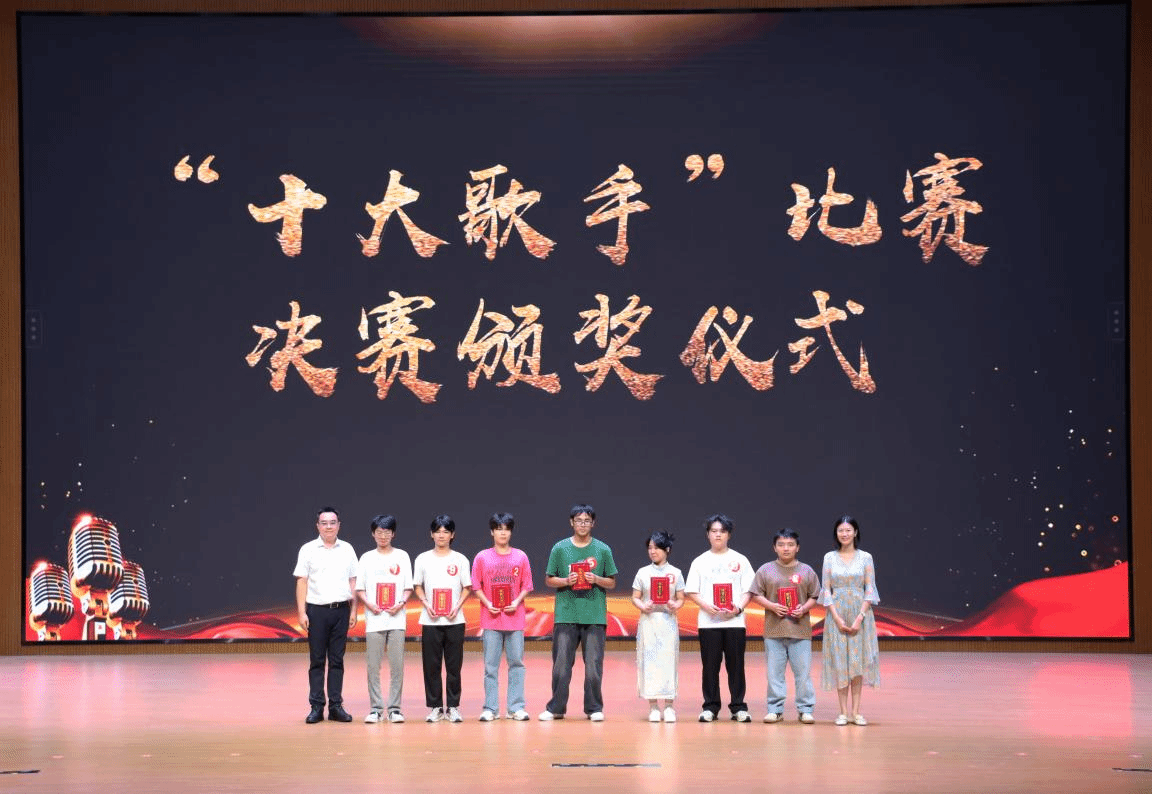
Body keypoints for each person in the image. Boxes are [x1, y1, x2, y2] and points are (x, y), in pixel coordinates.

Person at [539, 504, 618, 722]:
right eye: (579, 520)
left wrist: (596, 579)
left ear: (593, 523)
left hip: (594, 616)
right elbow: (549, 579)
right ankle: (556, 708)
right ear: (571, 522)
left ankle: (594, 708)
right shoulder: (560, 548)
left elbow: (612, 582)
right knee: (561, 666)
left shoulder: (603, 549)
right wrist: (566, 581)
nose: (583, 524)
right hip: (566, 615)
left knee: (593, 666)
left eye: (587, 521)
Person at [684, 513, 754, 722]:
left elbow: (749, 589)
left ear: (729, 535)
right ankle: (710, 707)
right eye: (714, 531)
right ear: (707, 534)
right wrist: (707, 607)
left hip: (735, 622)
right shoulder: (700, 561)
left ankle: (738, 707)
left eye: (722, 531)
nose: (718, 535)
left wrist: (738, 609)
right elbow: (692, 590)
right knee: (710, 667)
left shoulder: (740, 559)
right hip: (708, 623)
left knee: (736, 667)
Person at [294, 506, 359, 724]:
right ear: (318, 526)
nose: (328, 527)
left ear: (339, 525)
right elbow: (302, 581)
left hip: (341, 610)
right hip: (316, 611)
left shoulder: (347, 549)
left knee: (337, 660)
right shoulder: (308, 549)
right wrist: (301, 612)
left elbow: (353, 581)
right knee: (317, 660)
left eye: (332, 523)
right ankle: (316, 706)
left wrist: (354, 610)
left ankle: (336, 706)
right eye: (324, 523)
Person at [749, 529, 820, 724]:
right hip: (774, 631)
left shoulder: (806, 570)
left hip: (800, 632)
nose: (785, 548)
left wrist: (803, 609)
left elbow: (815, 595)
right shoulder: (765, 570)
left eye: (790, 544)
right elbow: (755, 594)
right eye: (781, 544)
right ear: (774, 547)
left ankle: (805, 709)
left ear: (798, 547)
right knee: (774, 675)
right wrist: (772, 606)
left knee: (803, 675)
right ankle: (775, 710)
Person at [471, 511, 534, 722]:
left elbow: (527, 585)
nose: (503, 533)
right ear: (492, 532)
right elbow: (476, 585)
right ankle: (491, 708)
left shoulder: (521, 556)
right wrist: (488, 603)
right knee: (490, 667)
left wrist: (516, 602)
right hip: (491, 620)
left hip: (515, 620)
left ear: (511, 532)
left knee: (517, 664)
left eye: (506, 529)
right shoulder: (482, 557)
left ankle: (516, 708)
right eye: (498, 529)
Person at [820, 515, 880, 726]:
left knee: (856, 662)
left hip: (860, 615)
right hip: (836, 615)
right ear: (836, 533)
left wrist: (859, 617)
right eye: (840, 530)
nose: (844, 534)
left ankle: (856, 712)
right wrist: (836, 618)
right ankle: (843, 713)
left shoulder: (865, 557)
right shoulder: (829, 557)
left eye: (848, 530)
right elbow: (826, 589)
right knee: (841, 663)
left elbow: (870, 589)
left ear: (855, 532)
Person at [413, 514, 471, 723]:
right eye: (437, 531)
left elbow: (467, 587)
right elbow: (417, 586)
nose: (441, 535)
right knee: (431, 666)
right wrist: (426, 603)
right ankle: (436, 707)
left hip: (455, 620)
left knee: (454, 666)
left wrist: (457, 606)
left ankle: (453, 707)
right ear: (431, 534)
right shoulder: (422, 559)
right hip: (430, 620)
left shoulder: (460, 559)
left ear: (452, 535)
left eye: (446, 532)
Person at [355, 514, 413, 724]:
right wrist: (370, 604)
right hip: (374, 619)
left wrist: (401, 603)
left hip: (396, 620)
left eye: (387, 532)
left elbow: (408, 587)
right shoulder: (366, 558)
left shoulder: (402, 556)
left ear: (393, 534)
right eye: (379, 532)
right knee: (373, 666)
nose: (383, 536)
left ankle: (395, 709)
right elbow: (359, 588)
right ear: (373, 534)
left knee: (397, 666)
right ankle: (376, 709)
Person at [630, 530, 684, 722]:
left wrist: (675, 605)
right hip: (649, 622)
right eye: (650, 548)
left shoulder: (675, 573)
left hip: (668, 622)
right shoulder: (643, 573)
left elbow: (681, 598)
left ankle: (669, 707)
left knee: (669, 662)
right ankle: (653, 706)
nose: (652, 551)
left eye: (657, 548)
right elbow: (635, 597)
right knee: (649, 662)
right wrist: (643, 606)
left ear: (667, 549)